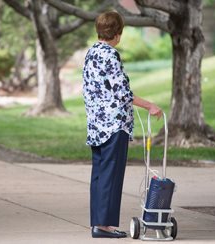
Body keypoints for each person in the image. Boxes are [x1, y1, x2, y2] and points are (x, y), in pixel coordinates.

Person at [83, 11, 162, 239]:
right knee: (111, 175)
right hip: (113, 126)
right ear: (117, 34)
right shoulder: (110, 55)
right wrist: (150, 106)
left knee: (99, 175)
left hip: (96, 125)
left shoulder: (91, 53)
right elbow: (123, 93)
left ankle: (98, 223)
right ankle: (104, 226)